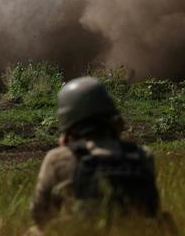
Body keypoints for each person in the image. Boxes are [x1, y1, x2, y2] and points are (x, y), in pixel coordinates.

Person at [28, 76, 167, 234]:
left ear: (68, 121)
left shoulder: (58, 159)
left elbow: (39, 215)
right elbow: (152, 209)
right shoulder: (142, 156)